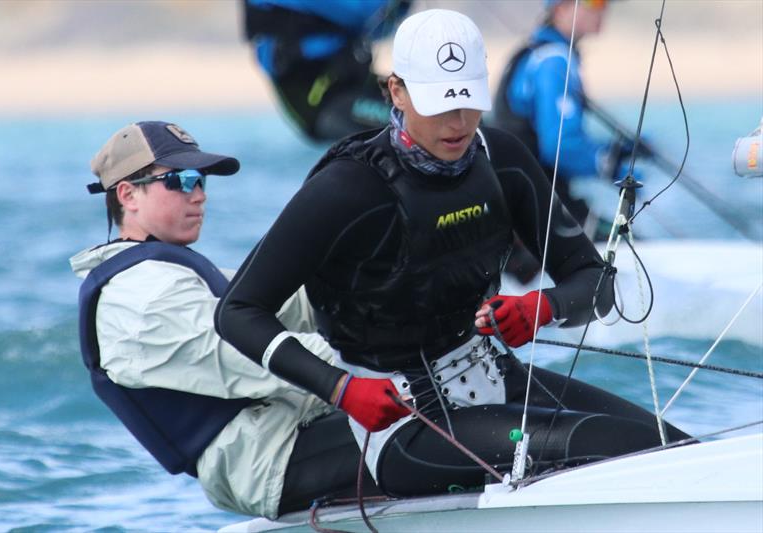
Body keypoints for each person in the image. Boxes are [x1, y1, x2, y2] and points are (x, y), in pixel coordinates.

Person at [215, 9, 688, 498]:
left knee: (675, 449)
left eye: (468, 102)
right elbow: (237, 312)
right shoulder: (345, 189)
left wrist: (542, 307)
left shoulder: (502, 161)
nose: (458, 123)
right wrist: (340, 388)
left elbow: (596, 283)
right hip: (405, 427)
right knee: (616, 445)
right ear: (397, 91)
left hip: (497, 382)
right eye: (440, 104)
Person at [70, 121, 378, 519]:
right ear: (128, 194)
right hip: (268, 461)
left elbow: (288, 304)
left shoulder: (170, 272)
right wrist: (388, 362)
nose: (198, 195)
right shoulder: (141, 298)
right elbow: (252, 353)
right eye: (179, 181)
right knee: (449, 428)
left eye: (201, 181)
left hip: (292, 428)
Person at [494, 0, 632, 247]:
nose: (602, 9)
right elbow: (560, 148)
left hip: (530, 199)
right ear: (560, 8)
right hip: (535, 209)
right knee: (632, 245)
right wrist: (615, 166)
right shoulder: (553, 61)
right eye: (594, 2)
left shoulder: (540, 52)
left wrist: (619, 149)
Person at [243, 0, 411, 141]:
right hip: (323, 102)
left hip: (350, 87)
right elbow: (358, 11)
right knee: (414, 122)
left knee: (423, 110)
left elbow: (379, 27)